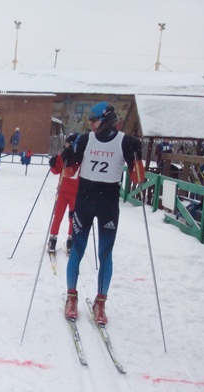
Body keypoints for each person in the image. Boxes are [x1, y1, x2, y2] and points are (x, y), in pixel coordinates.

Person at [64, 102, 144, 325]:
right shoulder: (85, 140)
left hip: (108, 204)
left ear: (107, 119)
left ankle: (100, 303)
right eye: (89, 120)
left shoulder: (124, 142)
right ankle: (71, 298)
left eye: (95, 119)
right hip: (84, 201)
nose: (91, 123)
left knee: (105, 254)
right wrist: (68, 155)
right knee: (77, 250)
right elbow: (69, 172)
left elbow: (138, 179)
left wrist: (137, 156)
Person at [48, 133, 80, 255]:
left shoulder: (80, 158)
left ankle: (70, 240)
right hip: (62, 192)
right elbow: (56, 170)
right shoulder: (63, 156)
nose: (65, 146)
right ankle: (53, 238)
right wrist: (52, 164)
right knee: (58, 216)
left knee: (73, 219)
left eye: (67, 144)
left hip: (75, 194)